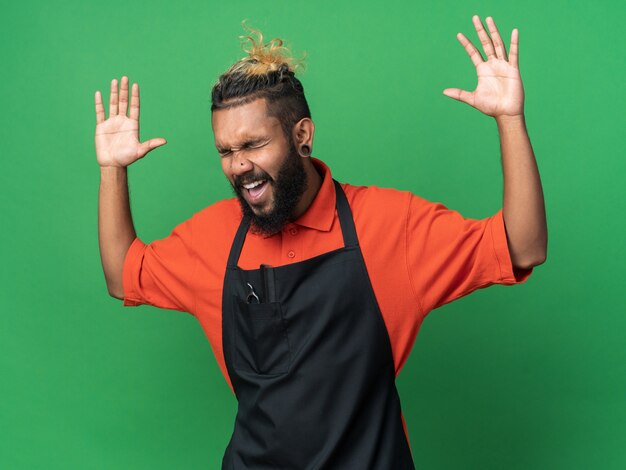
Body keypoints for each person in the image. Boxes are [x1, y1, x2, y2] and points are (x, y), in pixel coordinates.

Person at [95, 16, 546, 469]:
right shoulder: (213, 238)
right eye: (226, 152)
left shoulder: (391, 226)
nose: (238, 166)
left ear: (302, 136)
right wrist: (112, 169)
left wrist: (510, 119)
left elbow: (522, 247)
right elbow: (123, 275)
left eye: (253, 144)